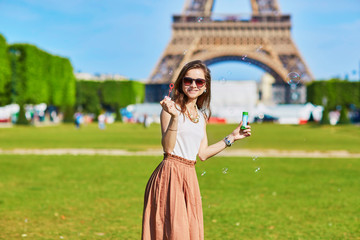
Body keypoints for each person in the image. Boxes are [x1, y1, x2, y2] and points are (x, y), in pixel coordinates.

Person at [141, 60, 251, 240]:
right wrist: (175, 117)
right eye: (188, 80)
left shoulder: (201, 116)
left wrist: (232, 137)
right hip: (170, 174)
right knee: (174, 233)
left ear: (205, 86)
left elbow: (203, 154)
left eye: (199, 81)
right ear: (181, 83)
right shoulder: (170, 109)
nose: (193, 85)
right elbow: (168, 147)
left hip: (189, 176)